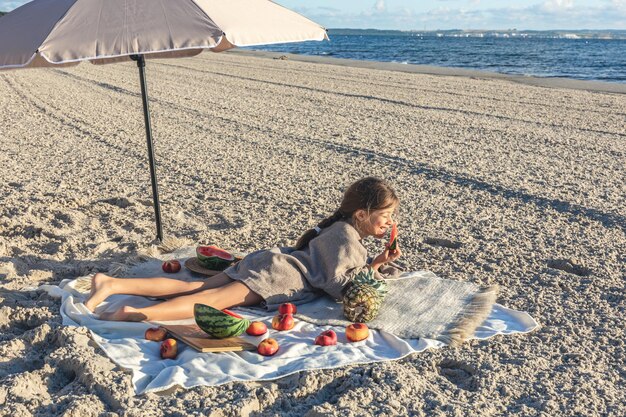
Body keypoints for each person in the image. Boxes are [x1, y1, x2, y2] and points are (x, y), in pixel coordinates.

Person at [85, 177, 402, 321]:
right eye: (385, 216)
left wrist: (374, 261)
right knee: (211, 302)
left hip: (269, 261)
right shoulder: (347, 238)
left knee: (196, 285)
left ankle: (113, 284)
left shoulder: (339, 230)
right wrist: (371, 269)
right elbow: (336, 286)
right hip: (278, 277)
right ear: (362, 214)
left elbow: (333, 267)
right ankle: (137, 313)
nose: (389, 223)